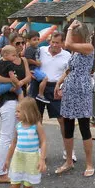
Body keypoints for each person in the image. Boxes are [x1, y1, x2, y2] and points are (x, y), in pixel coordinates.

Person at [54, 20, 95, 177]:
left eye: (75, 34)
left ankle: (89, 163)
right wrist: (59, 82)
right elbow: (70, 69)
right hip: (70, 88)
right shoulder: (75, 52)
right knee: (68, 125)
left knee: (84, 126)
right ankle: (69, 161)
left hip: (82, 89)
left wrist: (70, 27)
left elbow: (67, 44)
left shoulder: (87, 47)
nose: (73, 36)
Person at [0, 33, 31, 183]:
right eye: (18, 43)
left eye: (22, 43)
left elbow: (27, 78)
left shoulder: (23, 60)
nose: (20, 46)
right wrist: (13, 82)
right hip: (9, 100)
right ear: (12, 44)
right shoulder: (4, 62)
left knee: (15, 135)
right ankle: (1, 170)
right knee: (7, 136)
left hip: (19, 100)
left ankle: (3, 167)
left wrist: (19, 84)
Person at [30, 32, 75, 163]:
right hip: (39, 86)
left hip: (56, 87)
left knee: (62, 119)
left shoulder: (67, 55)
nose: (54, 45)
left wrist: (63, 87)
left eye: (57, 42)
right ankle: (37, 149)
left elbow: (69, 72)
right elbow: (28, 60)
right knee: (37, 119)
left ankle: (68, 151)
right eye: (52, 42)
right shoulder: (41, 50)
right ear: (50, 41)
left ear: (62, 43)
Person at [4, 98, 47, 188]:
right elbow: (13, 143)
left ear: (28, 112)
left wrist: (42, 159)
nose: (16, 114)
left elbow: (44, 141)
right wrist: (7, 159)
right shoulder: (18, 126)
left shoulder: (36, 125)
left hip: (31, 159)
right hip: (18, 158)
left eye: (18, 111)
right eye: (16, 111)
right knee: (14, 187)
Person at [22, 31, 50, 104]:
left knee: (32, 84)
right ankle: (40, 94)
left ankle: (29, 96)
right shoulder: (29, 49)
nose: (37, 41)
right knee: (45, 78)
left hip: (37, 68)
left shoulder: (37, 48)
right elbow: (27, 59)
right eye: (34, 40)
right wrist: (36, 63)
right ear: (28, 40)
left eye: (38, 39)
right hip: (33, 69)